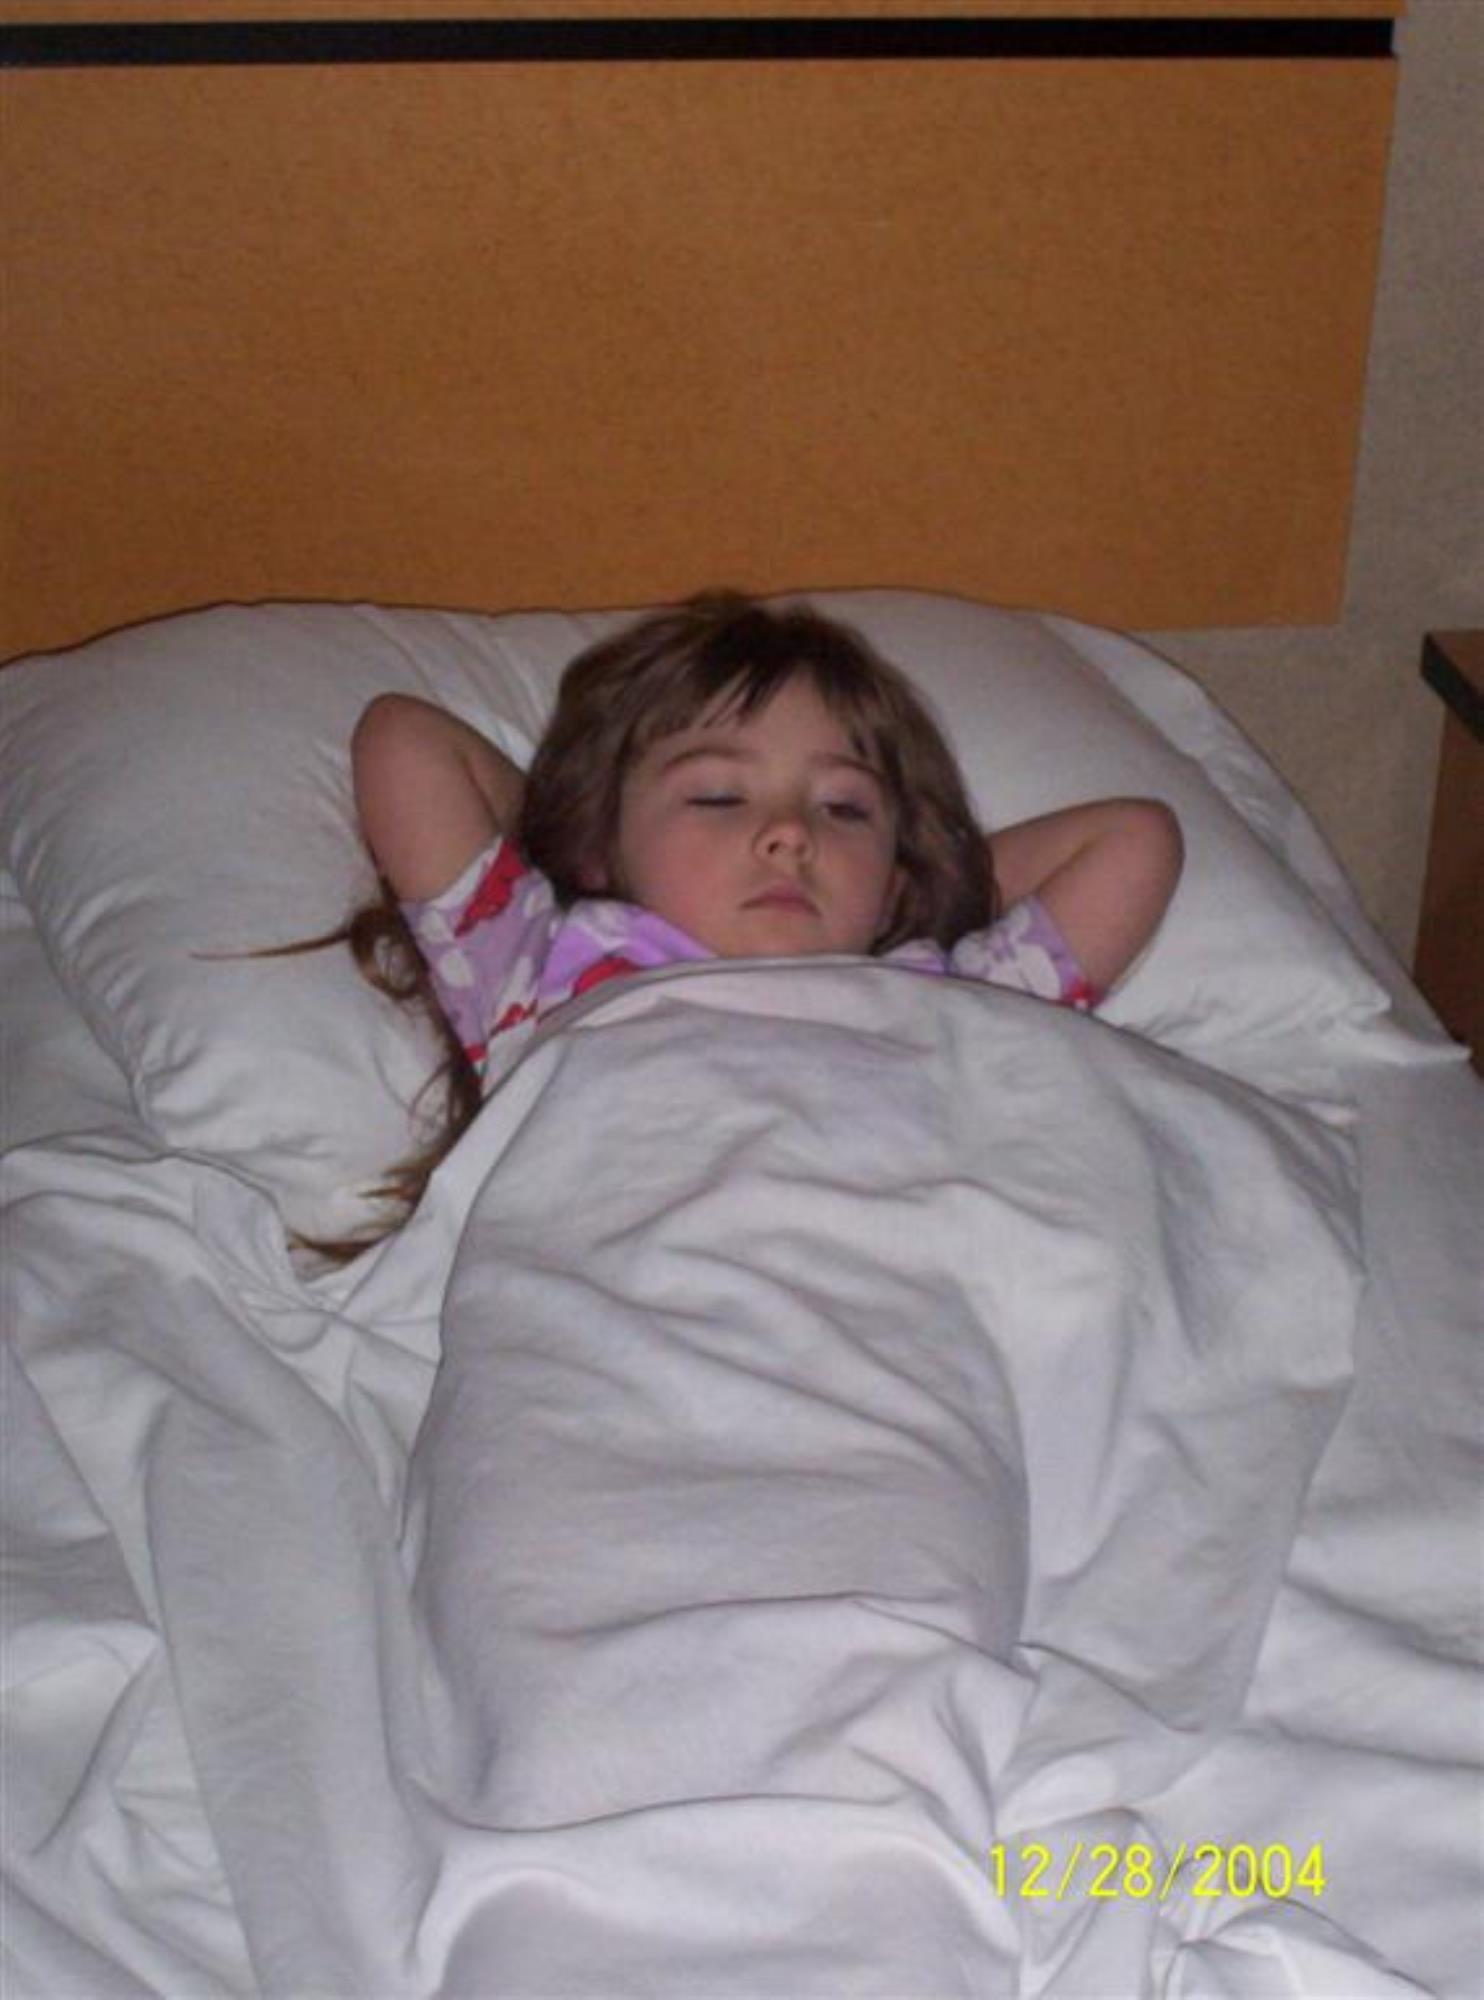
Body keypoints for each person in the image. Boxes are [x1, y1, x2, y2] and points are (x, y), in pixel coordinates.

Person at [342, 593, 1182, 1242]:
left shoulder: (952, 995)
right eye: (717, 796)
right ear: (599, 846)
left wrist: (913, 883)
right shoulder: (547, 969)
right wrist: (581, 846)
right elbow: (402, 740)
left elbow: (1134, 843)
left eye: (845, 809)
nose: (790, 833)